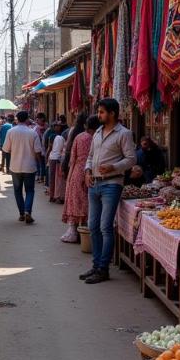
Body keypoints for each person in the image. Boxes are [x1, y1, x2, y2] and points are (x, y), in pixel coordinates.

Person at [81, 98, 136, 284]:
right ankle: (96, 265)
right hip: (94, 183)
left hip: (112, 184)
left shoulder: (124, 134)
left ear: (112, 113)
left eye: (102, 112)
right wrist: (87, 171)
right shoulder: (97, 132)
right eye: (99, 112)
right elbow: (89, 157)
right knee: (93, 226)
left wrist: (113, 167)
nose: (99, 115)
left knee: (105, 227)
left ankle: (103, 268)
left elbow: (131, 159)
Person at [2, 110, 43, 224]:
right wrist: (40, 165)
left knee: (17, 191)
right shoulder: (32, 133)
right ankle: (27, 211)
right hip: (30, 167)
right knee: (30, 190)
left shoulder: (11, 132)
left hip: (15, 167)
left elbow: (6, 149)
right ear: (27, 119)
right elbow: (38, 151)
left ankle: (21, 213)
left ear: (17, 119)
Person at [61, 115, 98, 243]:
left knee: (75, 200)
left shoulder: (79, 136)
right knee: (88, 202)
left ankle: (73, 232)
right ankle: (87, 233)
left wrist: (70, 171)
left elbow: (72, 157)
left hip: (77, 171)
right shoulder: (97, 138)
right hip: (93, 172)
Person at [47, 121, 66, 203]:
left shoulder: (52, 136)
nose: (58, 127)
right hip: (58, 159)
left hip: (53, 158)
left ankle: (52, 196)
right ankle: (57, 196)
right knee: (58, 179)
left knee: (52, 178)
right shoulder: (61, 138)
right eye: (57, 126)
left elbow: (49, 148)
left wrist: (47, 157)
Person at [34, 112, 48, 183]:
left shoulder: (46, 126)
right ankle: (39, 175)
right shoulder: (36, 128)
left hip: (45, 148)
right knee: (39, 162)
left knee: (42, 162)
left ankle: (41, 176)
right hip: (38, 147)